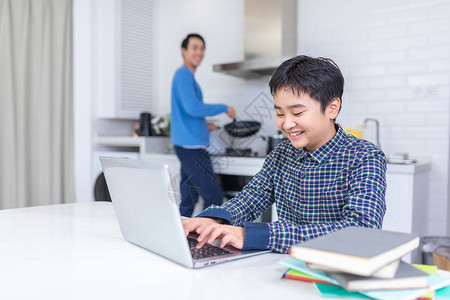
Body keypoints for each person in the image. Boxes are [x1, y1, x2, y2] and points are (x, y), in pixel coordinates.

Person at [182, 55, 387, 253]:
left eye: (297, 113)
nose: (287, 124)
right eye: (280, 113)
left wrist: (255, 235)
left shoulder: (365, 158)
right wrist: (212, 220)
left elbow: (360, 231)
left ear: (332, 108)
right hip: (282, 269)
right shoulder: (281, 154)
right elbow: (250, 199)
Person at [171, 33, 236, 217]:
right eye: (195, 47)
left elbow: (187, 110)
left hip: (188, 145)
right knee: (213, 196)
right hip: (192, 148)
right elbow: (192, 107)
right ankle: (208, 242)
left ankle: (179, 238)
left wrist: (204, 125)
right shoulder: (183, 74)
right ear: (184, 51)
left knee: (188, 198)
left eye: (202, 48)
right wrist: (224, 107)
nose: (199, 52)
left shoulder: (187, 76)